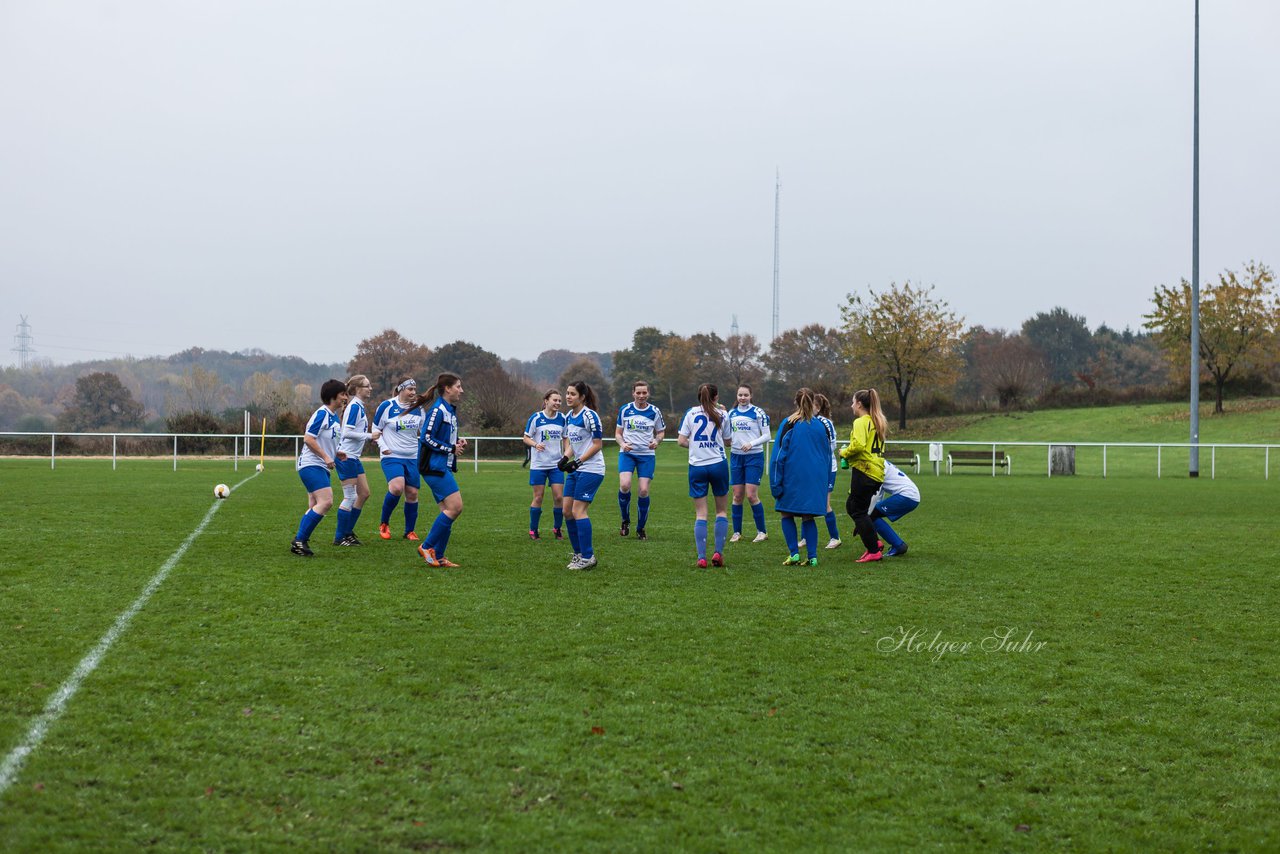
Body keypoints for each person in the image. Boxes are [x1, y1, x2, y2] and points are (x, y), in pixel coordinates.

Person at [768, 387, 832, 567]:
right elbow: (827, 456)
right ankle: (812, 557)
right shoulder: (822, 426)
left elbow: (778, 457)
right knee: (808, 517)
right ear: (814, 402)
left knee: (786, 513)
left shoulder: (789, 423)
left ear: (795, 402)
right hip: (816, 479)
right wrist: (826, 481)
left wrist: (775, 484)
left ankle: (794, 553)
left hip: (792, 477)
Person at [291, 379, 349, 556]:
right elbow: (308, 439)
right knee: (326, 501)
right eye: (342, 395)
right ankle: (299, 541)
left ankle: (301, 541)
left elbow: (326, 440)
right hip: (311, 464)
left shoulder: (332, 417)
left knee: (315, 504)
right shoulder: (322, 413)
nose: (345, 398)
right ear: (333, 397)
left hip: (319, 466)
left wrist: (335, 453)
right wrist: (325, 457)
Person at [416, 374, 469, 568]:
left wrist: (456, 443)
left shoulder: (449, 411)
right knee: (456, 507)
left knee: (448, 511)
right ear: (447, 388)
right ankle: (427, 546)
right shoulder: (438, 410)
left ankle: (438, 557)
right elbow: (426, 438)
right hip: (433, 467)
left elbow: (443, 438)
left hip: (441, 466)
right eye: (458, 386)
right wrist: (450, 448)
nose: (461, 390)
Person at [677, 383, 731, 568]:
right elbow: (728, 441)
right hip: (718, 465)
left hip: (697, 466)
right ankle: (718, 552)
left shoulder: (690, 413)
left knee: (701, 514)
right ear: (716, 397)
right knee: (721, 511)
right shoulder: (724, 414)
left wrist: (695, 446)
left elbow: (681, 441)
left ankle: (701, 556)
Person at [838, 388, 888, 563]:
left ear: (859, 404)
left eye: (853, 402)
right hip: (876, 471)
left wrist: (844, 452)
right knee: (852, 507)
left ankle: (874, 549)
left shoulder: (861, 422)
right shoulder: (878, 421)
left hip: (865, 470)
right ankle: (874, 542)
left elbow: (858, 446)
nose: (852, 405)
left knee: (857, 510)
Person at [560, 380, 605, 570]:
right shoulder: (569, 416)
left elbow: (597, 444)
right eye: (567, 393)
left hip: (592, 469)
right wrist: (565, 457)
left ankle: (588, 556)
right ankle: (579, 555)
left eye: (572, 394)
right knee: (566, 511)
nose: (568, 397)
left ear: (582, 397)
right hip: (577, 469)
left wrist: (578, 461)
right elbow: (573, 443)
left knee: (579, 511)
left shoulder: (590, 416)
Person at [332, 374, 381, 546]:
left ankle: (347, 532)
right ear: (358, 389)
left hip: (354, 457)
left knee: (364, 493)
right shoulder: (354, 407)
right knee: (350, 497)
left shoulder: (358, 406)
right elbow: (346, 433)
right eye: (367, 386)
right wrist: (369, 436)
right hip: (346, 457)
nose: (371, 388)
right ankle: (340, 537)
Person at [372, 378, 423, 541]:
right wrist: (383, 446)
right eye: (410, 389)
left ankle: (409, 531)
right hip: (391, 456)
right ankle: (384, 523)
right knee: (396, 488)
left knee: (412, 493)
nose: (413, 392)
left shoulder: (419, 409)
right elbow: (375, 429)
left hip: (412, 457)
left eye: (415, 389)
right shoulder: (387, 406)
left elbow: (424, 431)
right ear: (400, 389)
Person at [615, 380, 665, 540]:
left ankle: (641, 528)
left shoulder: (654, 411)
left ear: (648, 393)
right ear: (633, 393)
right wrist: (623, 444)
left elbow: (661, 432)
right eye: (638, 392)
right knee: (624, 485)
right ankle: (625, 520)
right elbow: (617, 433)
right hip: (627, 454)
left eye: (644, 393)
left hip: (646, 456)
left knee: (643, 490)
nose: (641, 395)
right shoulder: (625, 410)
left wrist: (656, 442)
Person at [726, 385, 770, 543]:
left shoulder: (758, 412)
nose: (742, 398)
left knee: (751, 495)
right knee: (737, 495)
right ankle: (737, 532)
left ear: (751, 396)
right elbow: (727, 434)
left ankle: (762, 532)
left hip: (754, 457)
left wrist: (751, 443)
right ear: (736, 396)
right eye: (740, 395)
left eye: (745, 395)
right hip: (736, 457)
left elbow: (767, 435)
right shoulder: (731, 413)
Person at [523, 389, 567, 540]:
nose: (558, 403)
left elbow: (566, 437)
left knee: (559, 497)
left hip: (556, 465)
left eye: (559, 401)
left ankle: (557, 529)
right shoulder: (536, 418)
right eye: (555, 400)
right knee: (538, 497)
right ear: (546, 400)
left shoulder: (562, 418)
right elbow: (526, 438)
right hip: (539, 465)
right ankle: (533, 530)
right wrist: (535, 445)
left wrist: (566, 454)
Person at [869, 460, 920, 557]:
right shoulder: (881, 462)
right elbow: (879, 492)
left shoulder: (876, 465)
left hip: (906, 496)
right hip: (911, 496)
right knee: (872, 515)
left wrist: (865, 518)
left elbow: (875, 493)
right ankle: (894, 545)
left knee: (872, 516)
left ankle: (898, 545)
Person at [813, 394, 843, 550]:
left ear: (818, 407)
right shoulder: (805, 421)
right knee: (808, 502)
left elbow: (832, 446)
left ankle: (835, 537)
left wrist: (816, 455)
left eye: (811, 405)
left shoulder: (825, 423)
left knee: (824, 504)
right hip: (812, 468)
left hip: (826, 468)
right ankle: (806, 537)